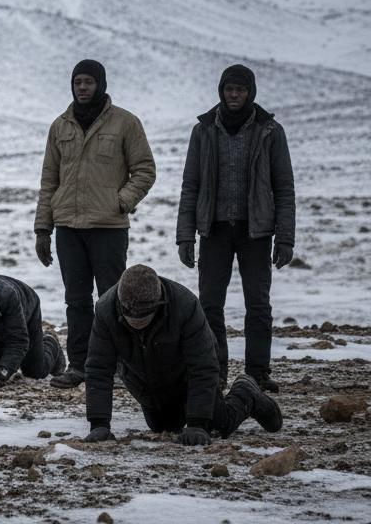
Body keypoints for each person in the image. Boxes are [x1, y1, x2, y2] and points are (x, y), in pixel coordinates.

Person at [34, 59, 156, 388]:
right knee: (76, 299)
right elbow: (49, 181)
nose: (83, 88)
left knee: (113, 298)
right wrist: (43, 229)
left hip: (108, 228)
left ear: (99, 84)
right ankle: (80, 365)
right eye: (78, 82)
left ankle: (118, 366)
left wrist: (120, 201)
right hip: (68, 228)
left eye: (89, 82)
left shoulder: (125, 123)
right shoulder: (60, 126)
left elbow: (145, 170)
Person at [176, 64, 295, 393]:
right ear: (221, 90)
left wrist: (285, 237)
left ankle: (257, 373)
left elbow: (284, 187)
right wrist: (185, 235)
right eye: (229, 89)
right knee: (210, 304)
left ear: (250, 92)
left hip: (255, 231)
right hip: (213, 231)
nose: (233, 95)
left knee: (257, 304)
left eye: (240, 90)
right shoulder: (203, 130)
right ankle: (215, 372)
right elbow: (191, 185)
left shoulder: (269, 130)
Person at [81, 264, 282, 446]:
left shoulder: (185, 305)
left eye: (144, 317)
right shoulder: (105, 310)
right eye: (130, 316)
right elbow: (99, 367)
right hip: (146, 385)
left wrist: (197, 423)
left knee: (219, 425)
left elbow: (203, 364)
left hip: (187, 379)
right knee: (163, 428)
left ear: (158, 304)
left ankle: (246, 393)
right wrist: (99, 425)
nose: (137, 323)